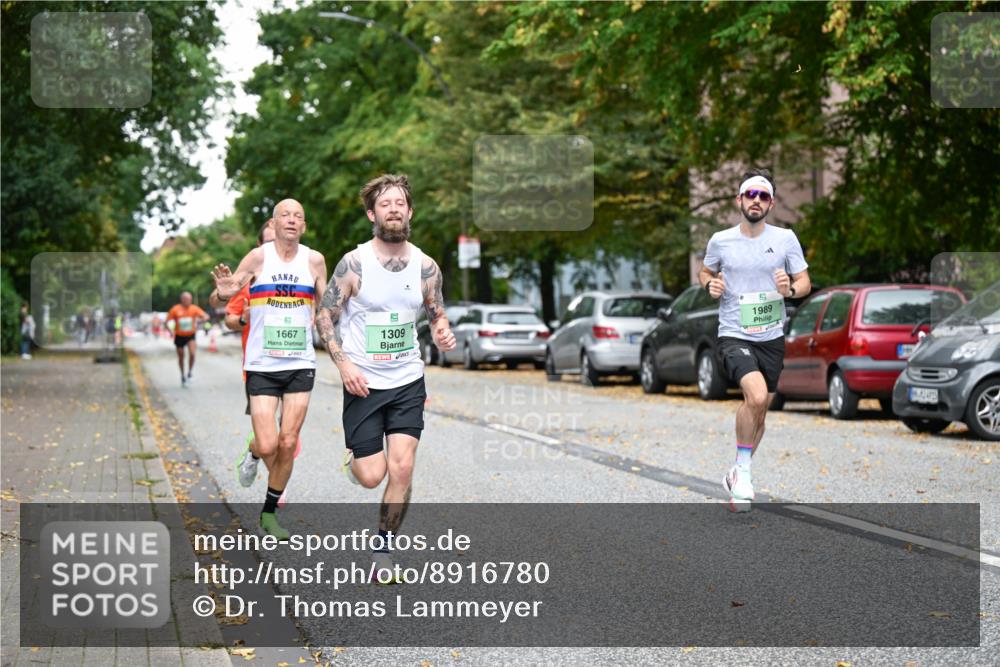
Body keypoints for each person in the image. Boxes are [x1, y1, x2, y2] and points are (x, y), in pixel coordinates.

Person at [316, 174, 455, 577]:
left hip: (408, 379)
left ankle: (383, 550)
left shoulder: (427, 267)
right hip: (363, 381)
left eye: (399, 203)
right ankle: (356, 460)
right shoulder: (354, 263)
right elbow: (325, 316)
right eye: (385, 203)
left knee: (403, 467)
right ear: (371, 213)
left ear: (409, 212)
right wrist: (344, 364)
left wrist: (443, 330)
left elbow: (436, 313)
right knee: (371, 474)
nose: (393, 208)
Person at [212, 199, 327, 540]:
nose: (291, 220)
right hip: (262, 363)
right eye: (284, 215)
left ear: (303, 226)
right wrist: (221, 294)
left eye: (298, 216)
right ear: (274, 225)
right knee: (267, 443)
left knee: (288, 442)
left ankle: (268, 513)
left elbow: (331, 306)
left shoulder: (315, 260)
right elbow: (228, 292)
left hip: (300, 363)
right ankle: (253, 454)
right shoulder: (258, 257)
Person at [699, 168, 811, 512]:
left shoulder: (785, 239)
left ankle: (737, 471)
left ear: (771, 203)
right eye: (751, 194)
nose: (756, 201)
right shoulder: (721, 240)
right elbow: (706, 270)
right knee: (757, 394)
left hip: (772, 335)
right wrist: (710, 284)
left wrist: (788, 289)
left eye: (763, 196)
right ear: (739, 200)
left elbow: (804, 282)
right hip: (734, 333)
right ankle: (744, 474)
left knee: (761, 410)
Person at [221, 220, 302, 505]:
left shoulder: (300, 271)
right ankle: (273, 478)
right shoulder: (248, 279)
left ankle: (255, 453)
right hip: (258, 369)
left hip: (294, 367)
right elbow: (229, 318)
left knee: (288, 441)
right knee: (271, 440)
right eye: (269, 242)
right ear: (260, 247)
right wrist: (243, 317)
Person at [165, 293, 209, 387]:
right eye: (187, 299)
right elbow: (166, 322)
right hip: (179, 336)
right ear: (182, 299)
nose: (189, 301)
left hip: (190, 335)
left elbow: (205, 316)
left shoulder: (194, 308)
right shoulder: (175, 309)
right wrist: (170, 331)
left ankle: (189, 372)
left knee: (192, 354)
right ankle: (182, 374)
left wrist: (201, 320)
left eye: (190, 299)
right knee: (181, 356)